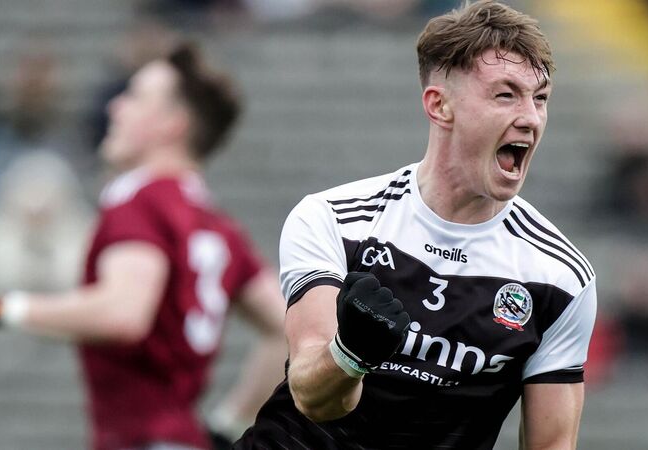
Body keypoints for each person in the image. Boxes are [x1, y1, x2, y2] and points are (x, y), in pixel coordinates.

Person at [235, 1, 597, 449]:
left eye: (540, 98)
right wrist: (351, 354)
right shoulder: (334, 219)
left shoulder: (560, 278)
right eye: (506, 95)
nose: (530, 118)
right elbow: (311, 395)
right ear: (439, 105)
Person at [0, 42, 287, 450]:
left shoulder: (141, 202)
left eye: (134, 97)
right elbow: (286, 329)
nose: (115, 107)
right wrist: (230, 423)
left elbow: (123, 314)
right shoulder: (217, 225)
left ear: (172, 124)